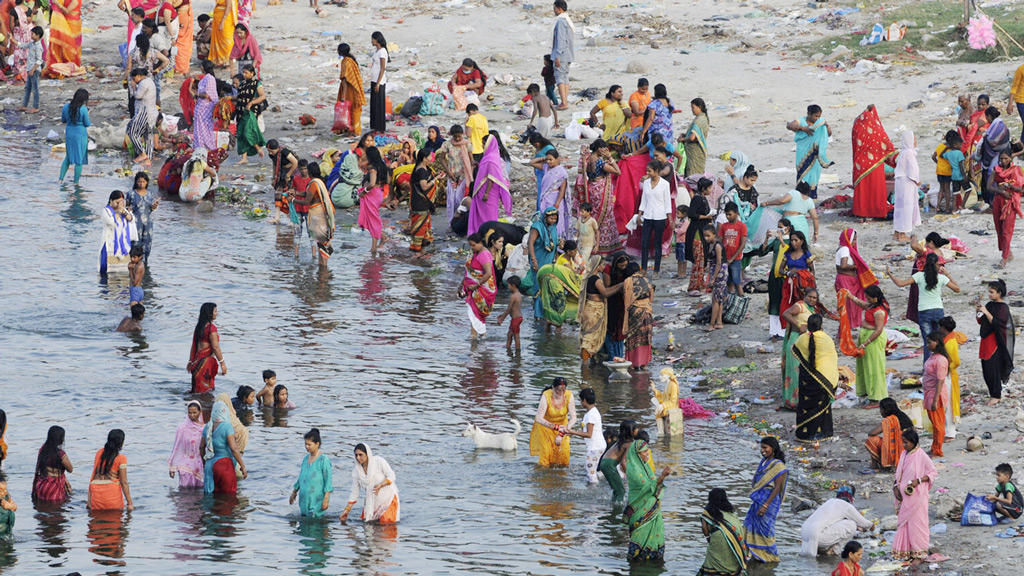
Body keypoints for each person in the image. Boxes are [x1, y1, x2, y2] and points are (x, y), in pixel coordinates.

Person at [887, 253, 961, 364]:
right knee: (939, 340)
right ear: (937, 264)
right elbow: (957, 289)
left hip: (924, 311)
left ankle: (928, 367)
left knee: (928, 341)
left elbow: (900, 284)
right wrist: (947, 274)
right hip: (937, 310)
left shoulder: (919, 276)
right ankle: (941, 365)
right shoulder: (941, 277)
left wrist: (890, 273)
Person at [623, 439, 671, 562]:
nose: (647, 454)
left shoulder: (645, 467)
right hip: (641, 512)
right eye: (643, 452)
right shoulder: (634, 470)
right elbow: (646, 487)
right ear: (637, 455)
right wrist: (662, 476)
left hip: (653, 509)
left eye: (647, 451)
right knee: (639, 546)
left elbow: (652, 483)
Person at [892, 429, 937, 561]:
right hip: (904, 497)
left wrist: (918, 481)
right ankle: (905, 551)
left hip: (917, 497)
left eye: (905, 442)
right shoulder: (903, 454)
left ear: (913, 442)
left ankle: (919, 554)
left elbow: (933, 472)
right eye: (902, 442)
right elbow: (898, 474)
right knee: (905, 524)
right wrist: (895, 487)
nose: (903, 445)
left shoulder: (921, 455)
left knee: (918, 524)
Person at [794, 314, 838, 442]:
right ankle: (824, 432)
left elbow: (798, 354)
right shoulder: (827, 339)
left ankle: (806, 433)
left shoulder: (802, 339)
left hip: (807, 379)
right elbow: (831, 360)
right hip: (823, 379)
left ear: (808, 325)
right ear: (821, 325)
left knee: (806, 404)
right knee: (822, 405)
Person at [745, 437, 788, 563]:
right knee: (751, 526)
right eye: (761, 448)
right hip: (759, 499)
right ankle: (756, 554)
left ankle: (771, 557)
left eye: (765, 448)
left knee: (766, 529)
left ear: (773, 448)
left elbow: (777, 488)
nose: (762, 450)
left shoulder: (778, 466)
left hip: (768, 501)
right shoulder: (764, 462)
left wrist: (765, 505)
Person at [576, 140, 622, 255]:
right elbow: (617, 172)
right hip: (600, 191)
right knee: (605, 216)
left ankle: (591, 243)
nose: (606, 151)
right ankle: (603, 246)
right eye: (604, 148)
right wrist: (610, 158)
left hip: (591, 189)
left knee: (594, 214)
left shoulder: (587, 159)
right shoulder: (600, 162)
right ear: (599, 149)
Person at [800, 486, 873, 557]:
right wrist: (872, 526)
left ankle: (822, 549)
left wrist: (859, 527)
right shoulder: (846, 505)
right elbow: (865, 524)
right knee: (852, 525)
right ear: (851, 497)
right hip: (817, 536)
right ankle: (834, 551)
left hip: (805, 534)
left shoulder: (829, 502)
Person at [846, 285, 890, 403]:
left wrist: (865, 343)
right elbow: (864, 305)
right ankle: (867, 391)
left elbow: (878, 329)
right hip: (867, 338)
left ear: (875, 298)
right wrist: (851, 297)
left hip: (873, 340)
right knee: (864, 365)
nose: (867, 300)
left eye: (869, 298)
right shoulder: (873, 305)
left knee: (874, 367)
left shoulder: (879, 311)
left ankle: (876, 396)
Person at [852, 104, 896, 219]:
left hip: (860, 164)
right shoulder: (877, 131)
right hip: (874, 164)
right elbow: (888, 147)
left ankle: (862, 214)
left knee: (863, 190)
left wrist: (865, 110)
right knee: (874, 189)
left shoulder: (857, 128)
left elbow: (856, 120)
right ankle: (875, 212)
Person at [340, 443, 399, 524]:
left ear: (367, 454)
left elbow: (392, 475)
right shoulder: (357, 471)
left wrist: (381, 485)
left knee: (386, 525)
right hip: (372, 501)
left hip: (387, 499)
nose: (358, 458)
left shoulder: (378, 462)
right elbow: (355, 492)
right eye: (356, 455)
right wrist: (347, 510)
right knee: (371, 528)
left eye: (361, 455)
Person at [977, 279, 1014, 405]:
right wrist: (978, 311)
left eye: (992, 292)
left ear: (999, 293)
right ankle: (992, 393)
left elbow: (998, 323)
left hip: (995, 341)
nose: (989, 294)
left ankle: (996, 394)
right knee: (986, 368)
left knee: (993, 369)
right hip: (985, 339)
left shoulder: (1003, 307)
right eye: (989, 292)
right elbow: (982, 321)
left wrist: (986, 312)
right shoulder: (990, 304)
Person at [577, 256, 621, 362]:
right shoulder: (595, 279)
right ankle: (585, 366)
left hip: (591, 309)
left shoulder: (592, 277)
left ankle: (589, 362)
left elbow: (604, 290)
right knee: (589, 338)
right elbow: (605, 293)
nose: (604, 267)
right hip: (594, 311)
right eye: (602, 265)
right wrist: (619, 287)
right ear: (597, 266)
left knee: (590, 336)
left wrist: (618, 285)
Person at [696, 488, 747, 576]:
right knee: (730, 560)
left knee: (713, 562)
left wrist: (708, 538)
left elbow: (704, 527)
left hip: (717, 537)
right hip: (734, 540)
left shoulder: (708, 511)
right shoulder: (731, 512)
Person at [469, 136, 513, 237]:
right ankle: (482, 233)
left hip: (488, 192)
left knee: (488, 214)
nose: (482, 145)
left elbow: (492, 177)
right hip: (483, 190)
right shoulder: (489, 156)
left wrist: (487, 193)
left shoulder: (491, 158)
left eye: (484, 143)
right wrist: (478, 165)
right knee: (482, 213)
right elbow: (486, 170)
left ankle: (488, 234)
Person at [780, 289, 817, 410]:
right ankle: (793, 402)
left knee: (804, 371)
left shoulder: (813, 309)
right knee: (794, 372)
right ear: (805, 296)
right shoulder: (800, 306)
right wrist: (798, 325)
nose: (812, 299)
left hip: (806, 342)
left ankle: (802, 400)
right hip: (796, 341)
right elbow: (786, 314)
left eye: (814, 298)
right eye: (810, 297)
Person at [634, 160, 672, 275]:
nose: (647, 173)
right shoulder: (646, 183)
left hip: (660, 217)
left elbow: (667, 203)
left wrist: (670, 219)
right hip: (647, 216)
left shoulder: (665, 184)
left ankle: (656, 270)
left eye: (649, 171)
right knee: (644, 242)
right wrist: (639, 214)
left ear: (656, 171)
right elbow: (644, 200)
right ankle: (644, 268)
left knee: (657, 244)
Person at [201, 400, 247, 494]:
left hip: (209, 465)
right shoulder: (227, 427)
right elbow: (233, 448)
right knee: (228, 498)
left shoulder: (207, 426)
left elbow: (201, 447)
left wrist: (204, 463)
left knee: (212, 496)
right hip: (224, 465)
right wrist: (242, 466)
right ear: (225, 411)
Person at [788, 104, 833, 198]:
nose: (817, 118)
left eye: (819, 116)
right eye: (815, 116)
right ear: (808, 113)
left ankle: (812, 197)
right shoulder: (801, 120)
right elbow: (789, 126)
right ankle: (800, 196)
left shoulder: (820, 123)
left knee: (814, 175)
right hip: (803, 153)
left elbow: (828, 134)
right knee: (803, 173)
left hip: (815, 154)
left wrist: (827, 127)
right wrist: (803, 129)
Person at [834, 229, 876, 330]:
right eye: (853, 240)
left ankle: (848, 328)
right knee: (848, 306)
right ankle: (843, 331)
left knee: (850, 305)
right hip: (846, 280)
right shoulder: (845, 249)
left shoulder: (842, 249)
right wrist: (855, 266)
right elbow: (843, 266)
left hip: (849, 280)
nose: (854, 243)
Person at [529, 377, 576, 467]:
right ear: (553, 388)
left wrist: (562, 433)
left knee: (564, 453)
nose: (561, 393)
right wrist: (556, 427)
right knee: (546, 453)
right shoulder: (546, 395)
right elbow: (539, 418)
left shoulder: (569, 395)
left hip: (563, 427)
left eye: (563, 389)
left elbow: (573, 418)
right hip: (545, 426)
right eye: (558, 390)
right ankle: (545, 477)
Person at [562, 388, 606, 483]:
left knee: (590, 472)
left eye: (581, 400)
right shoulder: (593, 412)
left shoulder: (591, 415)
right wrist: (572, 432)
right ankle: (602, 481)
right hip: (598, 446)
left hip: (595, 448)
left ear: (585, 400)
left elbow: (589, 434)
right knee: (594, 469)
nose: (581, 402)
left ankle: (594, 491)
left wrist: (573, 432)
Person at [991, 151, 1023, 268]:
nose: (1003, 161)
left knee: (1007, 231)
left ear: (1010, 158)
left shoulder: (1016, 170)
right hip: (998, 201)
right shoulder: (996, 169)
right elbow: (989, 186)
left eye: (1006, 158)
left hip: (1011, 201)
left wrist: (1011, 187)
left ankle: (1004, 258)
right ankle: (1008, 252)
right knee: (999, 229)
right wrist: (1001, 191)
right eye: (1001, 158)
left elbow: (1020, 188)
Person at [290, 429, 333, 518]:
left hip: (317, 498)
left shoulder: (324, 460)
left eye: (309, 444)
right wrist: (294, 492)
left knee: (314, 520)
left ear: (317, 444)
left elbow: (328, 480)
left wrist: (326, 498)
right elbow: (301, 477)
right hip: (304, 498)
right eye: (305, 444)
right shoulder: (306, 459)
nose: (307, 447)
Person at [461, 233, 497, 338]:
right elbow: (469, 271)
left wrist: (477, 285)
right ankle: (480, 335)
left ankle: (474, 336)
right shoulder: (475, 253)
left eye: (473, 245)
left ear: (480, 243)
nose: (471, 248)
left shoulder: (484, 255)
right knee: (474, 311)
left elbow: (488, 273)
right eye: (470, 246)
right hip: (472, 288)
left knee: (475, 311)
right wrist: (461, 285)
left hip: (481, 288)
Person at [88, 430, 133, 510]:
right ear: (121, 443)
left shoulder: (99, 453)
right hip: (112, 496)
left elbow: (93, 474)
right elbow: (124, 482)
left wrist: (89, 501)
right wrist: (129, 503)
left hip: (96, 495)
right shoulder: (121, 458)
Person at [865, 398, 913, 472]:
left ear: (885, 410)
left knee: (871, 439)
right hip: (910, 452)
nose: (880, 412)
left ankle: (875, 465)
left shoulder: (889, 420)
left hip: (898, 452)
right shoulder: (903, 416)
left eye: (881, 409)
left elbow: (872, 433)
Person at [187, 302, 225, 394]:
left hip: (197, 362)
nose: (217, 313)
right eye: (215, 311)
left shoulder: (199, 327)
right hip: (205, 364)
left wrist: (190, 361)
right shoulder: (211, 328)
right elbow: (215, 347)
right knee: (205, 391)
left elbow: (194, 346)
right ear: (209, 313)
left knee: (197, 390)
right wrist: (222, 363)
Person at [621, 262, 654, 369]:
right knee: (645, 337)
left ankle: (632, 363)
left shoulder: (628, 281)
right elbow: (651, 298)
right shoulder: (646, 280)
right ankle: (644, 364)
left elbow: (626, 300)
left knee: (633, 337)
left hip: (635, 312)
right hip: (647, 311)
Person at [890, 130, 921, 241]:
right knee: (906, 208)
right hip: (907, 183)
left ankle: (897, 232)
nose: (915, 141)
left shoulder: (903, 153)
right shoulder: (909, 153)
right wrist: (918, 181)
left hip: (901, 182)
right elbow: (913, 170)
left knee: (900, 207)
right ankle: (902, 234)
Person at [358, 146, 389, 254]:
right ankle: (381, 238)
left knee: (373, 220)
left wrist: (364, 191)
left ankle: (374, 247)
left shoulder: (374, 169)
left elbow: (371, 183)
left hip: (373, 194)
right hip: (379, 193)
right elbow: (388, 180)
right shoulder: (383, 166)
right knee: (373, 219)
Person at [922, 332, 948, 457]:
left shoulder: (940, 360)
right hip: (929, 393)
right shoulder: (933, 357)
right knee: (934, 424)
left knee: (938, 425)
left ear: (936, 342)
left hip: (935, 394)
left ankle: (938, 450)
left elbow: (940, 381)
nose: (927, 345)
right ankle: (934, 447)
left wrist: (935, 400)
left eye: (929, 342)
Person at [167, 401, 205, 488]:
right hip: (185, 465)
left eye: (194, 412)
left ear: (200, 412)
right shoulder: (182, 428)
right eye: (189, 413)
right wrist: (172, 466)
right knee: (184, 493)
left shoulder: (204, 428)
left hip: (200, 463)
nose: (192, 415)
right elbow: (177, 448)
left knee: (199, 494)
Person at [686, 178, 714, 294]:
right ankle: (693, 286)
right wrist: (706, 217)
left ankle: (700, 284)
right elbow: (692, 214)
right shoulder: (697, 199)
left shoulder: (703, 198)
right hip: (696, 232)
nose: (711, 190)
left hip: (703, 230)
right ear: (703, 188)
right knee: (698, 259)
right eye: (709, 188)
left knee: (702, 259)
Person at [32, 426, 73, 503]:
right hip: (54, 487)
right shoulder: (60, 454)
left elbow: (38, 468)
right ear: (60, 439)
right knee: (56, 508)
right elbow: (70, 469)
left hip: (42, 485)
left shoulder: (43, 450)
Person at [234, 63, 266, 164]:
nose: (244, 74)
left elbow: (262, 97)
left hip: (250, 112)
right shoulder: (243, 84)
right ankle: (244, 158)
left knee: (248, 132)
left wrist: (251, 102)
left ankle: (258, 148)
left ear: (252, 73)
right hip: (240, 112)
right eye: (243, 72)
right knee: (241, 134)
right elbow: (239, 97)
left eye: (246, 73)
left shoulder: (257, 83)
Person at [978, 106, 1010, 204]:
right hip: (1001, 153)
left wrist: (985, 138)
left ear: (989, 116)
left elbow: (992, 141)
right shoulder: (999, 124)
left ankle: (993, 201)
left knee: (992, 177)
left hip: (996, 155)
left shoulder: (998, 125)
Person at [126, 68, 157, 165]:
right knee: (148, 135)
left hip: (144, 112)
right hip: (151, 113)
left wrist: (134, 87)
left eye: (134, 78)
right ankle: (148, 159)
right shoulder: (149, 81)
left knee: (132, 131)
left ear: (139, 76)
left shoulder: (144, 83)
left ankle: (142, 153)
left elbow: (138, 96)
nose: (133, 80)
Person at [99, 191, 136, 275]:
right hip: (110, 245)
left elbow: (132, 219)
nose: (119, 204)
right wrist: (119, 211)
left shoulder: (123, 211)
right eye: (117, 202)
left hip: (123, 246)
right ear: (111, 201)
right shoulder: (106, 210)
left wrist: (123, 211)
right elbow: (111, 221)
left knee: (124, 273)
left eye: (121, 202)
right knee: (108, 271)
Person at [59, 89, 91, 184]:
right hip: (80, 134)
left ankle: (60, 179)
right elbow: (87, 123)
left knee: (68, 157)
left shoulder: (66, 107)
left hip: (69, 133)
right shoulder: (83, 109)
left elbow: (63, 120)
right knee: (79, 160)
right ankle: (76, 183)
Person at [126, 172, 159, 262]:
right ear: (136, 182)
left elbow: (150, 209)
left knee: (147, 243)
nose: (141, 184)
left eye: (143, 182)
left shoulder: (150, 194)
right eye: (139, 181)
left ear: (147, 182)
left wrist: (154, 206)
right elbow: (126, 207)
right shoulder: (131, 194)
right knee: (135, 243)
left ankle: (144, 263)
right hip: (135, 223)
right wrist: (128, 210)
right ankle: (134, 262)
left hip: (147, 223)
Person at [45, 0, 83, 77]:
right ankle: (66, 61)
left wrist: (57, 4)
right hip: (66, 22)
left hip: (73, 24)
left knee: (71, 44)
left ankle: (73, 62)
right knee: (65, 43)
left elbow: (67, 11)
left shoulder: (75, 1)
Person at [334, 43, 365, 135]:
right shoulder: (351, 60)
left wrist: (343, 94)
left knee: (350, 109)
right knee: (354, 109)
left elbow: (345, 80)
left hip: (348, 90)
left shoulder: (346, 62)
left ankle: (354, 131)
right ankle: (354, 129)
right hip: (355, 89)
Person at [719, 202, 747, 297]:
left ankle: (741, 300)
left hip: (736, 258)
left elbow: (742, 244)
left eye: (730, 214)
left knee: (737, 281)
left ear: (736, 213)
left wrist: (733, 258)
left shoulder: (741, 226)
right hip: (725, 257)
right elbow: (720, 241)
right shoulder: (724, 226)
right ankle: (730, 301)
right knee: (728, 281)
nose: (728, 217)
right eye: (726, 214)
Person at [550, 0, 574, 111]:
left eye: (554, 8)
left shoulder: (560, 21)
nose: (554, 10)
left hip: (562, 54)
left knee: (560, 77)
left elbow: (560, 39)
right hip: (568, 54)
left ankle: (564, 102)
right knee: (565, 77)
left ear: (559, 8)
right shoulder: (567, 20)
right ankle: (565, 101)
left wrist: (557, 56)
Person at [192, 60, 219, 151]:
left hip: (204, 108)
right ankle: (201, 147)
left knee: (203, 129)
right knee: (202, 128)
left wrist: (197, 95)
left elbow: (208, 95)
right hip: (203, 107)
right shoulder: (208, 78)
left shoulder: (209, 78)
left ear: (203, 68)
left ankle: (203, 147)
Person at [16, 25, 43, 113]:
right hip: (30, 70)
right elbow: (23, 45)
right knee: (28, 88)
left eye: (33, 34)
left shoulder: (38, 47)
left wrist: (32, 70)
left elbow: (39, 60)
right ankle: (24, 105)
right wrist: (13, 40)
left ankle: (36, 106)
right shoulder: (32, 44)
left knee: (35, 89)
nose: (31, 35)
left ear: (38, 35)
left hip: (34, 71)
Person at [681, 98, 710, 176]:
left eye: (693, 107)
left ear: (699, 107)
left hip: (695, 153)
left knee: (693, 175)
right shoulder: (702, 118)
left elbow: (692, 138)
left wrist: (683, 139)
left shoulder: (699, 120)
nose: (692, 110)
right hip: (693, 153)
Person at [495, 275, 524, 351]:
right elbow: (513, 308)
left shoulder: (513, 296)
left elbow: (509, 309)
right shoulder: (519, 294)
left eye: (508, 285)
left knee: (516, 336)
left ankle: (518, 351)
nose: (508, 287)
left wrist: (502, 319)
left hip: (515, 319)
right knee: (509, 334)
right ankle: (508, 347)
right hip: (518, 318)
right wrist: (502, 315)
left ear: (513, 285)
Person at [369, 31, 389, 132]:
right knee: (374, 103)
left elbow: (382, 68)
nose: (371, 41)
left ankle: (380, 127)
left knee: (379, 104)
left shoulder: (382, 51)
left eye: (372, 39)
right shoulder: (377, 51)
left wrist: (378, 83)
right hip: (374, 80)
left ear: (377, 40)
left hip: (379, 82)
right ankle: (374, 126)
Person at [208, 0, 237, 67]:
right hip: (218, 17)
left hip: (225, 19)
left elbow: (229, 6)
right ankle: (220, 61)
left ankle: (229, 63)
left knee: (226, 39)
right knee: (218, 39)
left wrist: (223, 21)